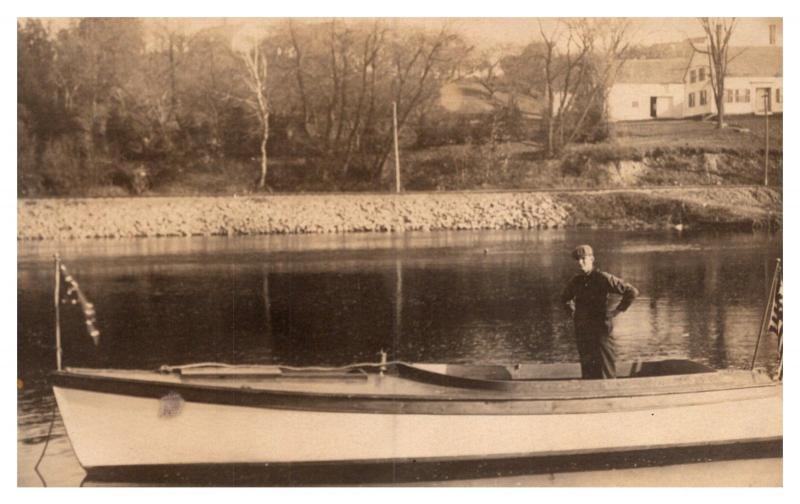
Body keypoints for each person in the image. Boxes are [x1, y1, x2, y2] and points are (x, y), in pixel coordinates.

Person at [560, 245, 639, 379]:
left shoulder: (603, 278)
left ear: (592, 259)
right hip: (583, 330)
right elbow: (564, 298)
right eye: (578, 260)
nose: (580, 262)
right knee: (587, 369)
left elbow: (631, 292)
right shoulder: (576, 281)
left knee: (605, 368)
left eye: (583, 259)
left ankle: (608, 396)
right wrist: (573, 313)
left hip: (601, 329)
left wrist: (617, 311)